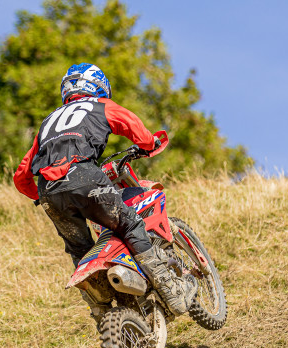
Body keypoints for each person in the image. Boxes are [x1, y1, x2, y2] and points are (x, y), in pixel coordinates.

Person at [13, 63, 196, 321]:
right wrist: (149, 143)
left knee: (81, 250)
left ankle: (101, 311)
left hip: (48, 190)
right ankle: (170, 290)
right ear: (98, 86)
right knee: (130, 224)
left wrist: (40, 196)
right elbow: (131, 124)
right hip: (83, 175)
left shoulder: (48, 122)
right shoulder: (99, 105)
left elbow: (21, 176)